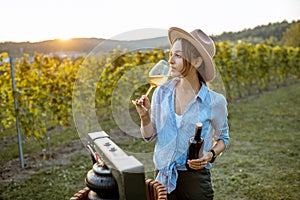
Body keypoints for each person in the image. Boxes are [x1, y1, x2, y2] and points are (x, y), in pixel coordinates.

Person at [133, 27, 230, 200]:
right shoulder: (161, 92)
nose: (170, 60)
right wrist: (144, 116)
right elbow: (148, 135)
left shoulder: (215, 102)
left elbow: (223, 139)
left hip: (195, 180)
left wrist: (210, 155)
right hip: (162, 176)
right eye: (171, 54)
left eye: (178, 55)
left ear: (197, 61)